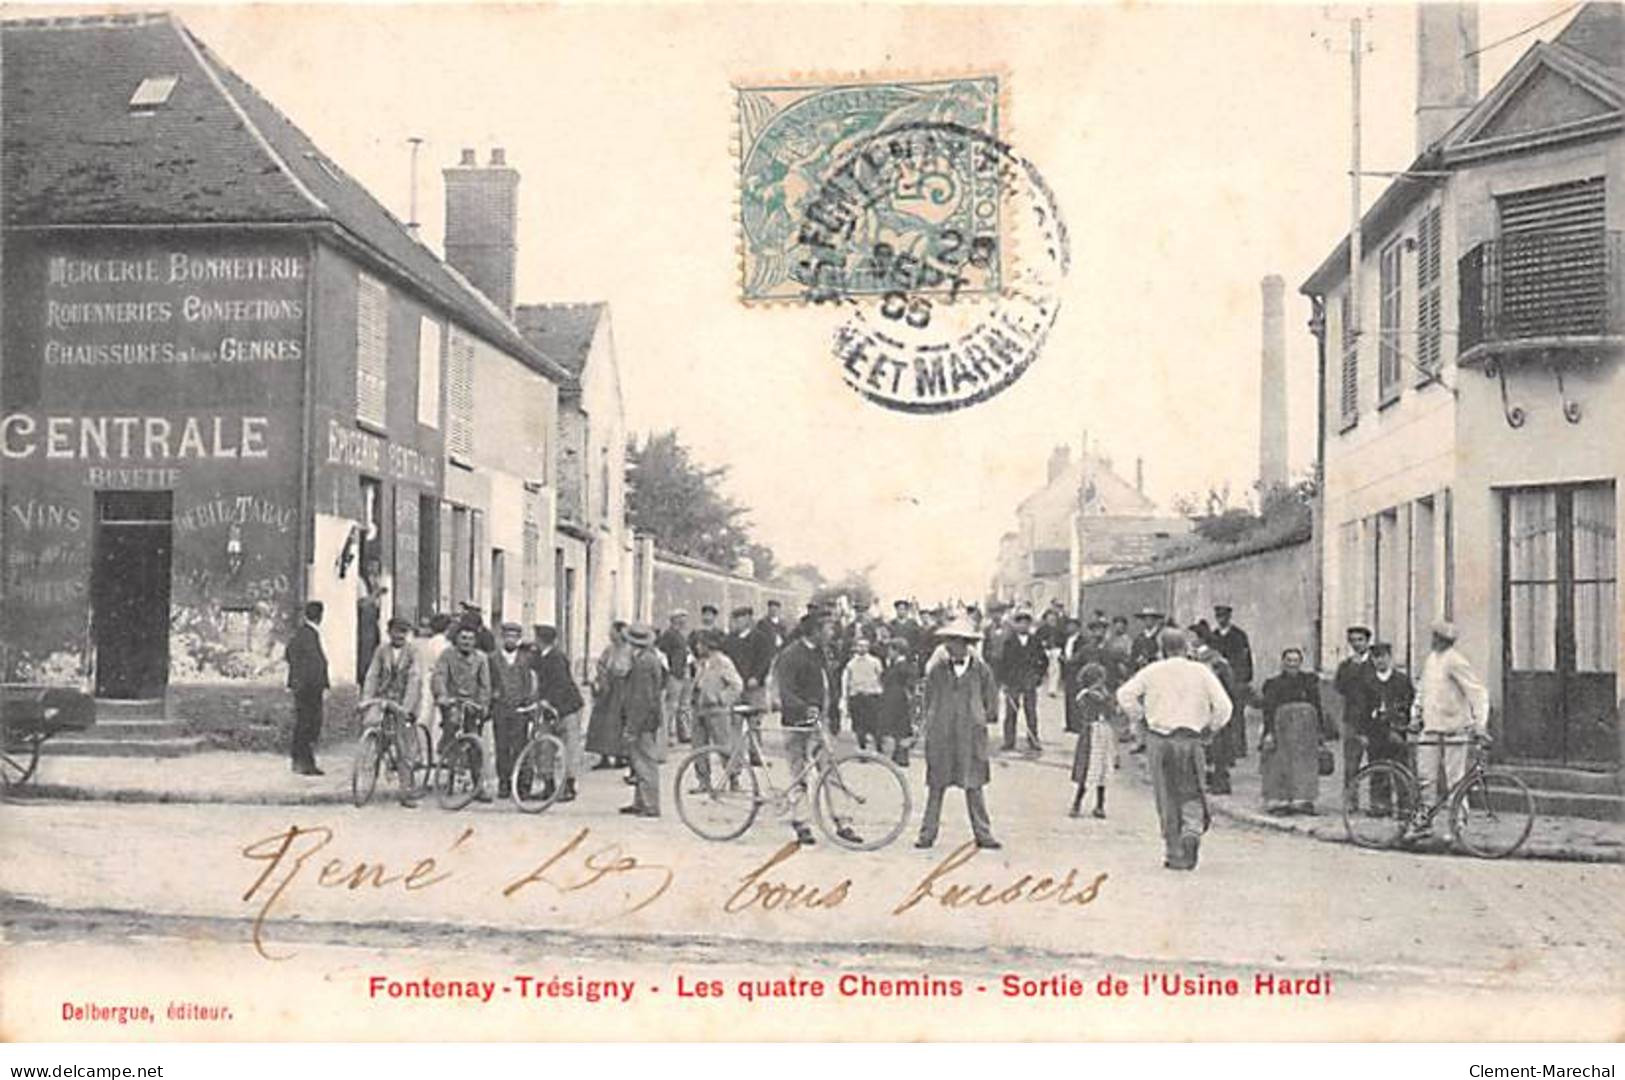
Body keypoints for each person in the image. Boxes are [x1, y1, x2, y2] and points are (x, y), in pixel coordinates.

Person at [1116, 628, 1232, 870]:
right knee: (1192, 789)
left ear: (1162, 648)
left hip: (1160, 739)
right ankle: (1191, 830)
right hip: (1191, 738)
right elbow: (1224, 706)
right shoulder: (1201, 671)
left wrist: (1141, 718)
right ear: (1186, 647)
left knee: (1166, 794)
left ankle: (1174, 850)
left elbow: (1125, 694)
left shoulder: (1152, 671)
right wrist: (1210, 728)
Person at [915, 618, 1002, 850]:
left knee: (974, 785)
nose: (953, 646)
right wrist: (926, 725)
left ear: (968, 644)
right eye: (950, 641)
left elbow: (991, 698)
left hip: (970, 734)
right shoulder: (937, 670)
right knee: (936, 785)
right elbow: (926, 699)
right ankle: (927, 834)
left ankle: (983, 834)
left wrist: (983, 718)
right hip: (942, 733)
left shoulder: (981, 670)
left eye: (959, 642)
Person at [775, 614, 860, 846]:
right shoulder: (791, 655)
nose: (832, 632)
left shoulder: (821, 652)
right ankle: (801, 823)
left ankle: (842, 822)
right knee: (799, 773)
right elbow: (785, 691)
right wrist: (805, 709)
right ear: (814, 630)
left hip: (818, 722)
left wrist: (831, 714)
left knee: (830, 768)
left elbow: (826, 687)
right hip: (797, 723)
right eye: (828, 628)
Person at [1407, 621, 1490, 840]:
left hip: (1454, 728)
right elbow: (1422, 691)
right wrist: (1415, 715)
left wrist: (1479, 723)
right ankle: (1423, 823)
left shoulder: (1456, 661)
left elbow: (1478, 692)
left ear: (1446, 641)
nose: (1434, 641)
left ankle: (1457, 826)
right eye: (1435, 637)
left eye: (1439, 638)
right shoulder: (1431, 660)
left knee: (1455, 780)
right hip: (1431, 726)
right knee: (1426, 777)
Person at [361, 615, 423, 805]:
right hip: (384, 698)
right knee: (370, 724)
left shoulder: (413, 652)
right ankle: (370, 762)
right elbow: (372, 675)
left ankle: (407, 790)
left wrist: (406, 707)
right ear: (389, 632)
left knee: (404, 746)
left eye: (403, 632)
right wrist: (367, 700)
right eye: (396, 631)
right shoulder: (382, 650)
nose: (399, 635)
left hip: (405, 701)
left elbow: (415, 679)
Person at [432, 623, 494, 801]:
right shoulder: (447, 655)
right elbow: (439, 676)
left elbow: (485, 685)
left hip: (472, 705)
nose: (467, 642)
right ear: (456, 639)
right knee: (451, 734)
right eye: (463, 638)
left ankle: (478, 786)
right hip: (452, 702)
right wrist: (443, 696)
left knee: (475, 745)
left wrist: (482, 704)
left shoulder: (481, 658)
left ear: (475, 641)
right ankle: (448, 777)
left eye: (471, 639)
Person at [1259, 647, 1324, 814]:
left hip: (1305, 732)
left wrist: (1320, 732)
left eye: (1296, 661)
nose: (1292, 664)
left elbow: (1317, 707)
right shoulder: (1273, 684)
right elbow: (1268, 710)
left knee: (1304, 765)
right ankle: (1281, 802)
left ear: (1300, 663)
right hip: (1282, 731)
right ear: (1283, 663)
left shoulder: (1309, 682)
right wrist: (1268, 732)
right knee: (1280, 763)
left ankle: (1303, 800)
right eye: (1289, 661)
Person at [526, 624, 585, 803]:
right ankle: (548, 785)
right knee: (544, 746)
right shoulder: (540, 656)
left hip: (567, 708)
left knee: (569, 748)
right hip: (549, 710)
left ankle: (568, 786)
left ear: (540, 640)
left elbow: (560, 684)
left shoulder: (557, 658)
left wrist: (548, 701)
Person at [1356, 642, 1415, 817]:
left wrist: (1403, 721)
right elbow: (1361, 709)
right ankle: (1380, 805)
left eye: (1383, 657)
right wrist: (1363, 732)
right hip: (1375, 732)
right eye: (1376, 658)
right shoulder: (1367, 682)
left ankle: (1405, 806)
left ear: (1390, 658)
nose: (1380, 661)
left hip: (1397, 730)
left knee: (1400, 767)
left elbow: (1409, 703)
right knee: (1377, 767)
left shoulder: (1402, 680)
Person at [620, 624, 666, 817]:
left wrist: (632, 727)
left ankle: (650, 805)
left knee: (645, 762)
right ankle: (640, 801)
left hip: (643, 720)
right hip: (648, 718)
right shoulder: (647, 659)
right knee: (638, 762)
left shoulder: (643, 663)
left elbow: (642, 698)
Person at [688, 630, 743, 788]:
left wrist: (721, 698)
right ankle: (703, 781)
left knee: (723, 745)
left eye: (700, 644)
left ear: (708, 645)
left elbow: (737, 685)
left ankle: (734, 778)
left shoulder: (722, 662)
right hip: (699, 708)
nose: (697, 647)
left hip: (717, 710)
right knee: (698, 747)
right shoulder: (701, 662)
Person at [490, 622, 537, 802]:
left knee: (520, 746)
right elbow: (490, 682)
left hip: (520, 709)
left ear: (519, 639)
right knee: (501, 746)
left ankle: (520, 783)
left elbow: (531, 683)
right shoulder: (493, 658)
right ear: (502, 638)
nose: (510, 640)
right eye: (507, 636)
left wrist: (528, 703)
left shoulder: (526, 659)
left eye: (514, 637)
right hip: (500, 708)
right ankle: (504, 782)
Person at [723, 605, 773, 766]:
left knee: (755, 722)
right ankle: (736, 756)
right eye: (735, 619)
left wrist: (757, 677)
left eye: (740, 618)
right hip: (736, 686)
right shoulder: (730, 640)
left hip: (754, 687)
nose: (737, 622)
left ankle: (756, 754)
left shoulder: (760, 638)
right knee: (735, 722)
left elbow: (765, 660)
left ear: (749, 619)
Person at [285, 600, 330, 777]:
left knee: (304, 723)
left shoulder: (303, 633)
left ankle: (299, 760)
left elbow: (290, 654)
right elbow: (313, 663)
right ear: (320, 616)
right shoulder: (308, 634)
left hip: (305, 686)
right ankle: (305, 762)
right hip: (309, 689)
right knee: (309, 724)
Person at [1069, 662, 1119, 819]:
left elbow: (1112, 711)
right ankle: (1077, 803)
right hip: (1091, 732)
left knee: (1102, 769)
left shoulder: (1102, 694)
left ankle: (1099, 804)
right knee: (1088, 767)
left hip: (1103, 732)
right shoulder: (1086, 695)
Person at [1191, 629, 1238, 795]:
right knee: (1205, 745)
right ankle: (1207, 779)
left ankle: (1220, 780)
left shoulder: (1215, 660)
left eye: (1193, 637)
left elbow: (1227, 684)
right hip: (1200, 705)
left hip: (1214, 705)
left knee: (1217, 744)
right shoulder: (1192, 658)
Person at [1334, 624, 1376, 793]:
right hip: (1352, 718)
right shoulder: (1346, 666)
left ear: (1367, 642)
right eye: (1352, 641)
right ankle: (1350, 799)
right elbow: (1339, 687)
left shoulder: (1375, 664)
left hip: (1373, 719)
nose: (1357, 644)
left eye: (1360, 640)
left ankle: (1377, 802)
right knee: (1351, 763)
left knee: (1375, 761)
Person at [998, 610, 1047, 753]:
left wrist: (1039, 676)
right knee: (1011, 712)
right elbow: (1003, 663)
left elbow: (1044, 660)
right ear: (1015, 625)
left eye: (1026, 623)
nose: (1023, 626)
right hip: (1013, 681)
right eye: (1020, 623)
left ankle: (1033, 740)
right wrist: (1004, 682)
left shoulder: (1035, 641)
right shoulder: (1009, 641)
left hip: (1029, 680)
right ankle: (1009, 741)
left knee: (1031, 711)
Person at [1209, 604, 1254, 762]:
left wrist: (1244, 677)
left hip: (1235, 679)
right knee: (1220, 712)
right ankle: (1222, 748)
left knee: (1236, 713)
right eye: (1218, 617)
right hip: (1218, 680)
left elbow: (1245, 658)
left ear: (1229, 617)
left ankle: (1238, 747)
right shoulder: (1213, 636)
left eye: (1224, 617)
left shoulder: (1238, 635)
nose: (1221, 620)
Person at [586, 621, 633, 769]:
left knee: (619, 722)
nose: (610, 635)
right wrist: (601, 676)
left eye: (613, 632)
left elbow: (631, 669)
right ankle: (603, 756)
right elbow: (600, 664)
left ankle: (621, 756)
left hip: (623, 687)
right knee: (601, 722)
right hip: (607, 688)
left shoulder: (629, 650)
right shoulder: (609, 649)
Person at [878, 638, 918, 766]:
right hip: (892, 698)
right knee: (896, 727)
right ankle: (897, 754)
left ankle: (902, 756)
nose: (888, 653)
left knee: (901, 727)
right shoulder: (893, 665)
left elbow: (910, 683)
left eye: (890, 650)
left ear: (897, 651)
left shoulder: (904, 666)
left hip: (899, 700)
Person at [657, 611, 694, 745]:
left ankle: (684, 732)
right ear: (673, 620)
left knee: (684, 705)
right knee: (672, 705)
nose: (683, 622)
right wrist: (670, 670)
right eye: (680, 619)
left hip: (685, 671)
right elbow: (662, 654)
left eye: (684, 619)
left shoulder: (683, 635)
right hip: (675, 674)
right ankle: (667, 735)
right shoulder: (668, 635)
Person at [842, 637, 885, 751]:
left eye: (865, 646)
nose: (862, 648)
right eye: (860, 645)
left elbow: (880, 676)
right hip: (857, 696)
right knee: (859, 724)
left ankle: (879, 747)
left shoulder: (875, 661)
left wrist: (879, 691)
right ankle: (862, 748)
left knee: (875, 723)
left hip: (871, 695)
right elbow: (846, 681)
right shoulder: (851, 664)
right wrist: (846, 698)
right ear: (855, 647)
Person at [415, 613, 453, 735]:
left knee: (425, 709)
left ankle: (422, 736)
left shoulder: (427, 642)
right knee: (437, 712)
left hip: (426, 674)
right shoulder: (444, 644)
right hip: (438, 677)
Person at [1039, 608, 1064, 697]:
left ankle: (1052, 689)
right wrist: (1043, 644)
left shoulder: (1059, 630)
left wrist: (1060, 650)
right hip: (1045, 651)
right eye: (1050, 619)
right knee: (1047, 670)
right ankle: (1043, 688)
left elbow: (1062, 640)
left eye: (1053, 619)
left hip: (1056, 651)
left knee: (1055, 669)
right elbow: (1038, 640)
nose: (1052, 621)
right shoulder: (1042, 630)